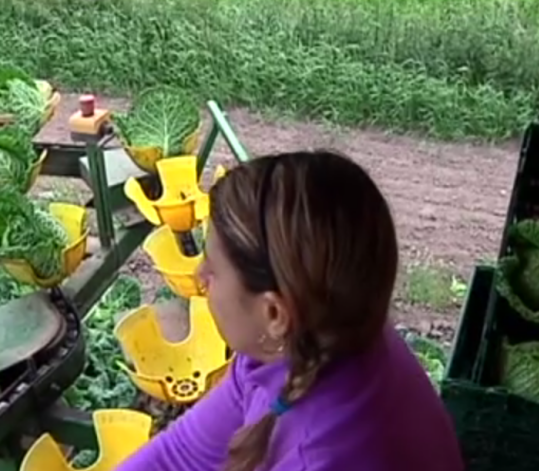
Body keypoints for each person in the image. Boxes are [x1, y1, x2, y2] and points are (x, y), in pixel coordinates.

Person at [115, 150, 464, 471]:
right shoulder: (318, 331)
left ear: (274, 313)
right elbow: (180, 455)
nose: (199, 275)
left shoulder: (323, 456)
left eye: (213, 268)